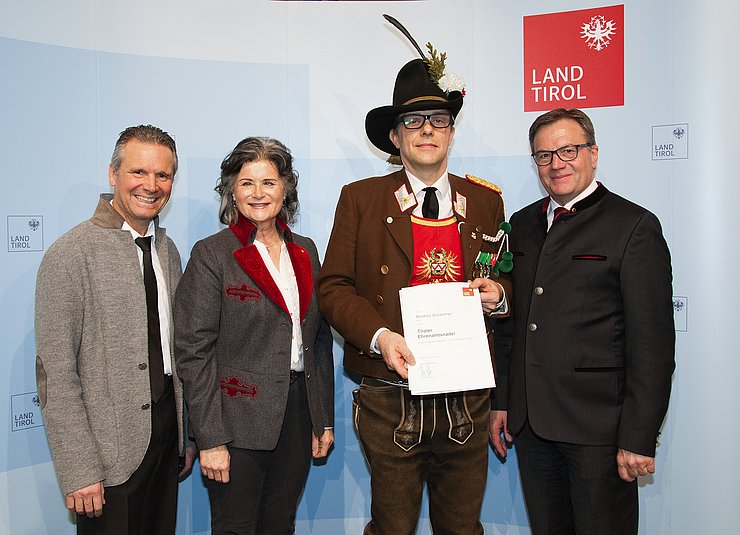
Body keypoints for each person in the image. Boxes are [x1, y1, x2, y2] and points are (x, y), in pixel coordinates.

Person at [318, 23, 512, 535]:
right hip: (388, 396)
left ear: (450, 130)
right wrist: (380, 337)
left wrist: (497, 296)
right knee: (392, 529)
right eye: (414, 120)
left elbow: (507, 281)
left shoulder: (487, 201)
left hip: (467, 398)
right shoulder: (360, 199)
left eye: (438, 119)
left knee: (463, 529)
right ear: (395, 135)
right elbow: (332, 288)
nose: (427, 129)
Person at [490, 108, 675, 534]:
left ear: (593, 153)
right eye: (543, 155)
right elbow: (511, 328)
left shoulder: (633, 226)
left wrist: (638, 436)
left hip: (600, 431)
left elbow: (653, 348)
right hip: (532, 426)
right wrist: (502, 401)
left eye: (568, 150)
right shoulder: (521, 225)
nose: (556, 164)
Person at [35, 124, 194, 534]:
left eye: (163, 175)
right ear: (113, 174)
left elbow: (179, 350)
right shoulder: (70, 255)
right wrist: (78, 468)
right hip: (105, 457)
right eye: (138, 172)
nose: (151, 185)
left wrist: (187, 435)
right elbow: (55, 372)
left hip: (166, 440)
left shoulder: (168, 251)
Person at [174, 136, 334, 534]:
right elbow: (194, 353)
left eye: (269, 182)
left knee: (280, 525)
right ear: (232, 189)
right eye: (247, 183)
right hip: (235, 424)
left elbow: (318, 341)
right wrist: (209, 438)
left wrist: (323, 418)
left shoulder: (307, 251)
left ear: (285, 188)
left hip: (297, 415)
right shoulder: (212, 254)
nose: (258, 193)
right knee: (236, 528)